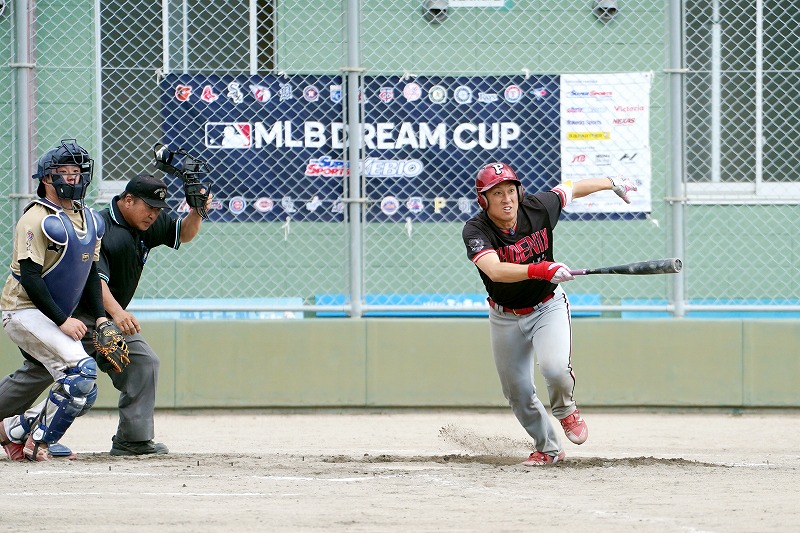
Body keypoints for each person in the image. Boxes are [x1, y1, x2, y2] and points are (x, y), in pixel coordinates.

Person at [0, 173, 212, 456]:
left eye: (158, 209)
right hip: (75, 316)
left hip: (104, 320)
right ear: (128, 200)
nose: (154, 214)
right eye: (149, 207)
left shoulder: (148, 221)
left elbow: (183, 233)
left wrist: (197, 211)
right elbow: (95, 280)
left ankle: (133, 440)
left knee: (143, 361)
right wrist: (116, 313)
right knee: (41, 374)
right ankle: (19, 429)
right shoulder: (102, 226)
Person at [461, 162, 636, 466]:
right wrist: (542, 269)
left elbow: (571, 189)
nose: (506, 199)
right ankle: (548, 449)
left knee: (555, 368)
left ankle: (566, 410)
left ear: (519, 192)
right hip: (505, 316)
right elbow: (495, 270)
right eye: (497, 193)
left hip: (547, 306)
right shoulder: (476, 230)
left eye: (511, 190)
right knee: (517, 392)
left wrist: (611, 181)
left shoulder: (538, 208)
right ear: (483, 200)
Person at [0, 139, 110, 461]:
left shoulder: (90, 219)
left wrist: (101, 318)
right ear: (48, 178)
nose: (74, 178)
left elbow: (90, 273)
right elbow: (30, 277)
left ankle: (13, 430)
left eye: (78, 172)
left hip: (50, 313)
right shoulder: (36, 218)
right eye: (65, 172)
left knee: (84, 391)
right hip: (21, 310)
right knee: (82, 372)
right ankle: (39, 442)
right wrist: (62, 320)